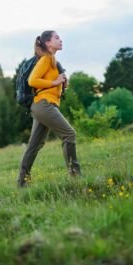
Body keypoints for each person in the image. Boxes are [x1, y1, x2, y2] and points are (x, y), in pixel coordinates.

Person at [17, 30, 82, 187]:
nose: (61, 40)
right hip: (43, 104)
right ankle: (76, 177)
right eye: (57, 38)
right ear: (48, 43)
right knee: (69, 134)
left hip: (43, 105)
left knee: (34, 145)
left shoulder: (52, 61)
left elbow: (49, 82)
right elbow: (33, 80)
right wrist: (54, 82)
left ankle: (22, 183)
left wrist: (61, 83)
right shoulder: (46, 59)